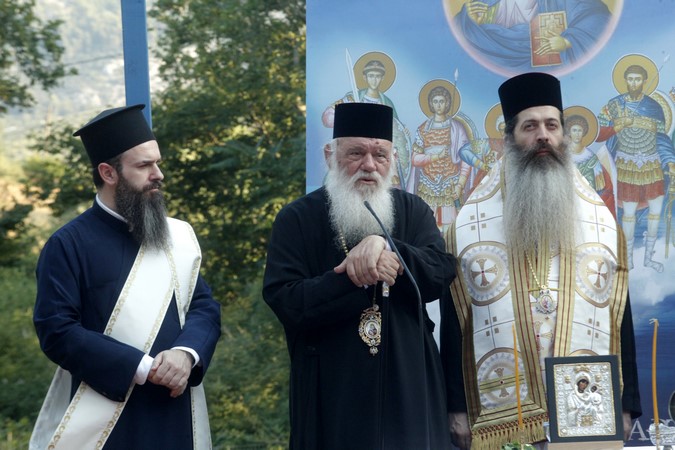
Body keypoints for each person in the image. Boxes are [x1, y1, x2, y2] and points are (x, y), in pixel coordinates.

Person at [443, 73, 641, 449]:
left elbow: (619, 317)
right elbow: (454, 323)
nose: (543, 136)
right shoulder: (469, 226)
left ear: (563, 135)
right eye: (529, 126)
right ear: (510, 138)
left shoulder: (599, 222)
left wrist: (627, 403)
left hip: (586, 405)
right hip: (506, 412)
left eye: (552, 125)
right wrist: (457, 407)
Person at [263, 102, 456, 449]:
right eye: (356, 153)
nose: (369, 165)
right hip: (331, 390)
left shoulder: (413, 211)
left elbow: (441, 273)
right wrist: (352, 277)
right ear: (330, 156)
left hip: (409, 384)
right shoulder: (297, 218)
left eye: (380, 155)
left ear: (392, 160)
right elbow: (286, 300)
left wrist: (392, 251)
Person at [30, 104, 222, 449]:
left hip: (176, 410)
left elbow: (203, 305)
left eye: (157, 163)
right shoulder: (67, 244)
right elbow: (56, 330)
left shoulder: (177, 235)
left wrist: (186, 353)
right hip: (106, 417)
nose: (158, 174)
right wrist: (144, 367)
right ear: (108, 172)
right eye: (144, 165)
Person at [597, 61, 675, 272]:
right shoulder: (613, 106)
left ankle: (648, 259)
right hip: (626, 165)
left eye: (637, 79)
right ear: (624, 81)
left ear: (644, 81)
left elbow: (661, 138)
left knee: (655, 211)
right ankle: (628, 259)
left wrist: (670, 161)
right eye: (630, 79)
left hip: (651, 165)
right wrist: (618, 125)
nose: (633, 83)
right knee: (628, 214)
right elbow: (600, 133)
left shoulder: (654, 107)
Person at [453, 0, 612, 72]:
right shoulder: (487, 3)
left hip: (547, 73)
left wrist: (567, 41)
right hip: (497, 77)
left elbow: (597, 17)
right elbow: (461, 30)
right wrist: (474, 23)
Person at [408, 80, 472, 231]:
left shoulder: (457, 129)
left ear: (447, 103)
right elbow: (415, 159)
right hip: (427, 185)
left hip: (450, 184)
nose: (438, 105)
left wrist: (460, 184)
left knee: (450, 228)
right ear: (431, 104)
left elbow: (466, 159)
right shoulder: (423, 129)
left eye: (442, 101)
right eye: (435, 101)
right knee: (424, 226)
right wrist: (435, 156)